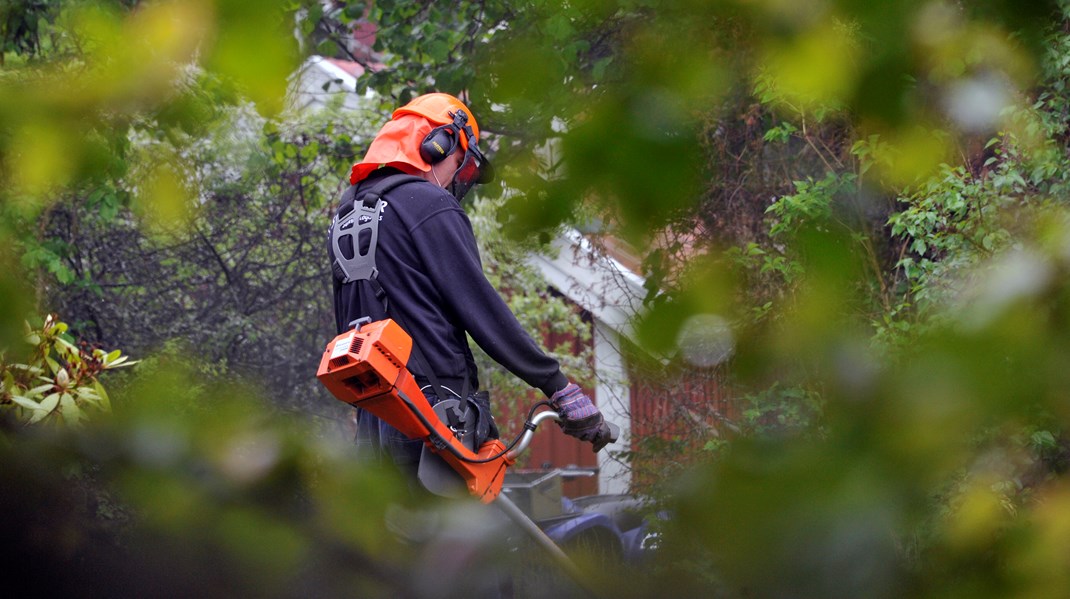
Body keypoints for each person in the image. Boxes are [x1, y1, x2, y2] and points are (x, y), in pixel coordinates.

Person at [328, 92, 607, 481]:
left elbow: (345, 318)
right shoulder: (426, 203)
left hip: (376, 420)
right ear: (437, 144)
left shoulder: (349, 211)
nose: (458, 180)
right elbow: (480, 309)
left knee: (391, 537)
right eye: (461, 163)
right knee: (453, 536)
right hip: (432, 417)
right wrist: (556, 385)